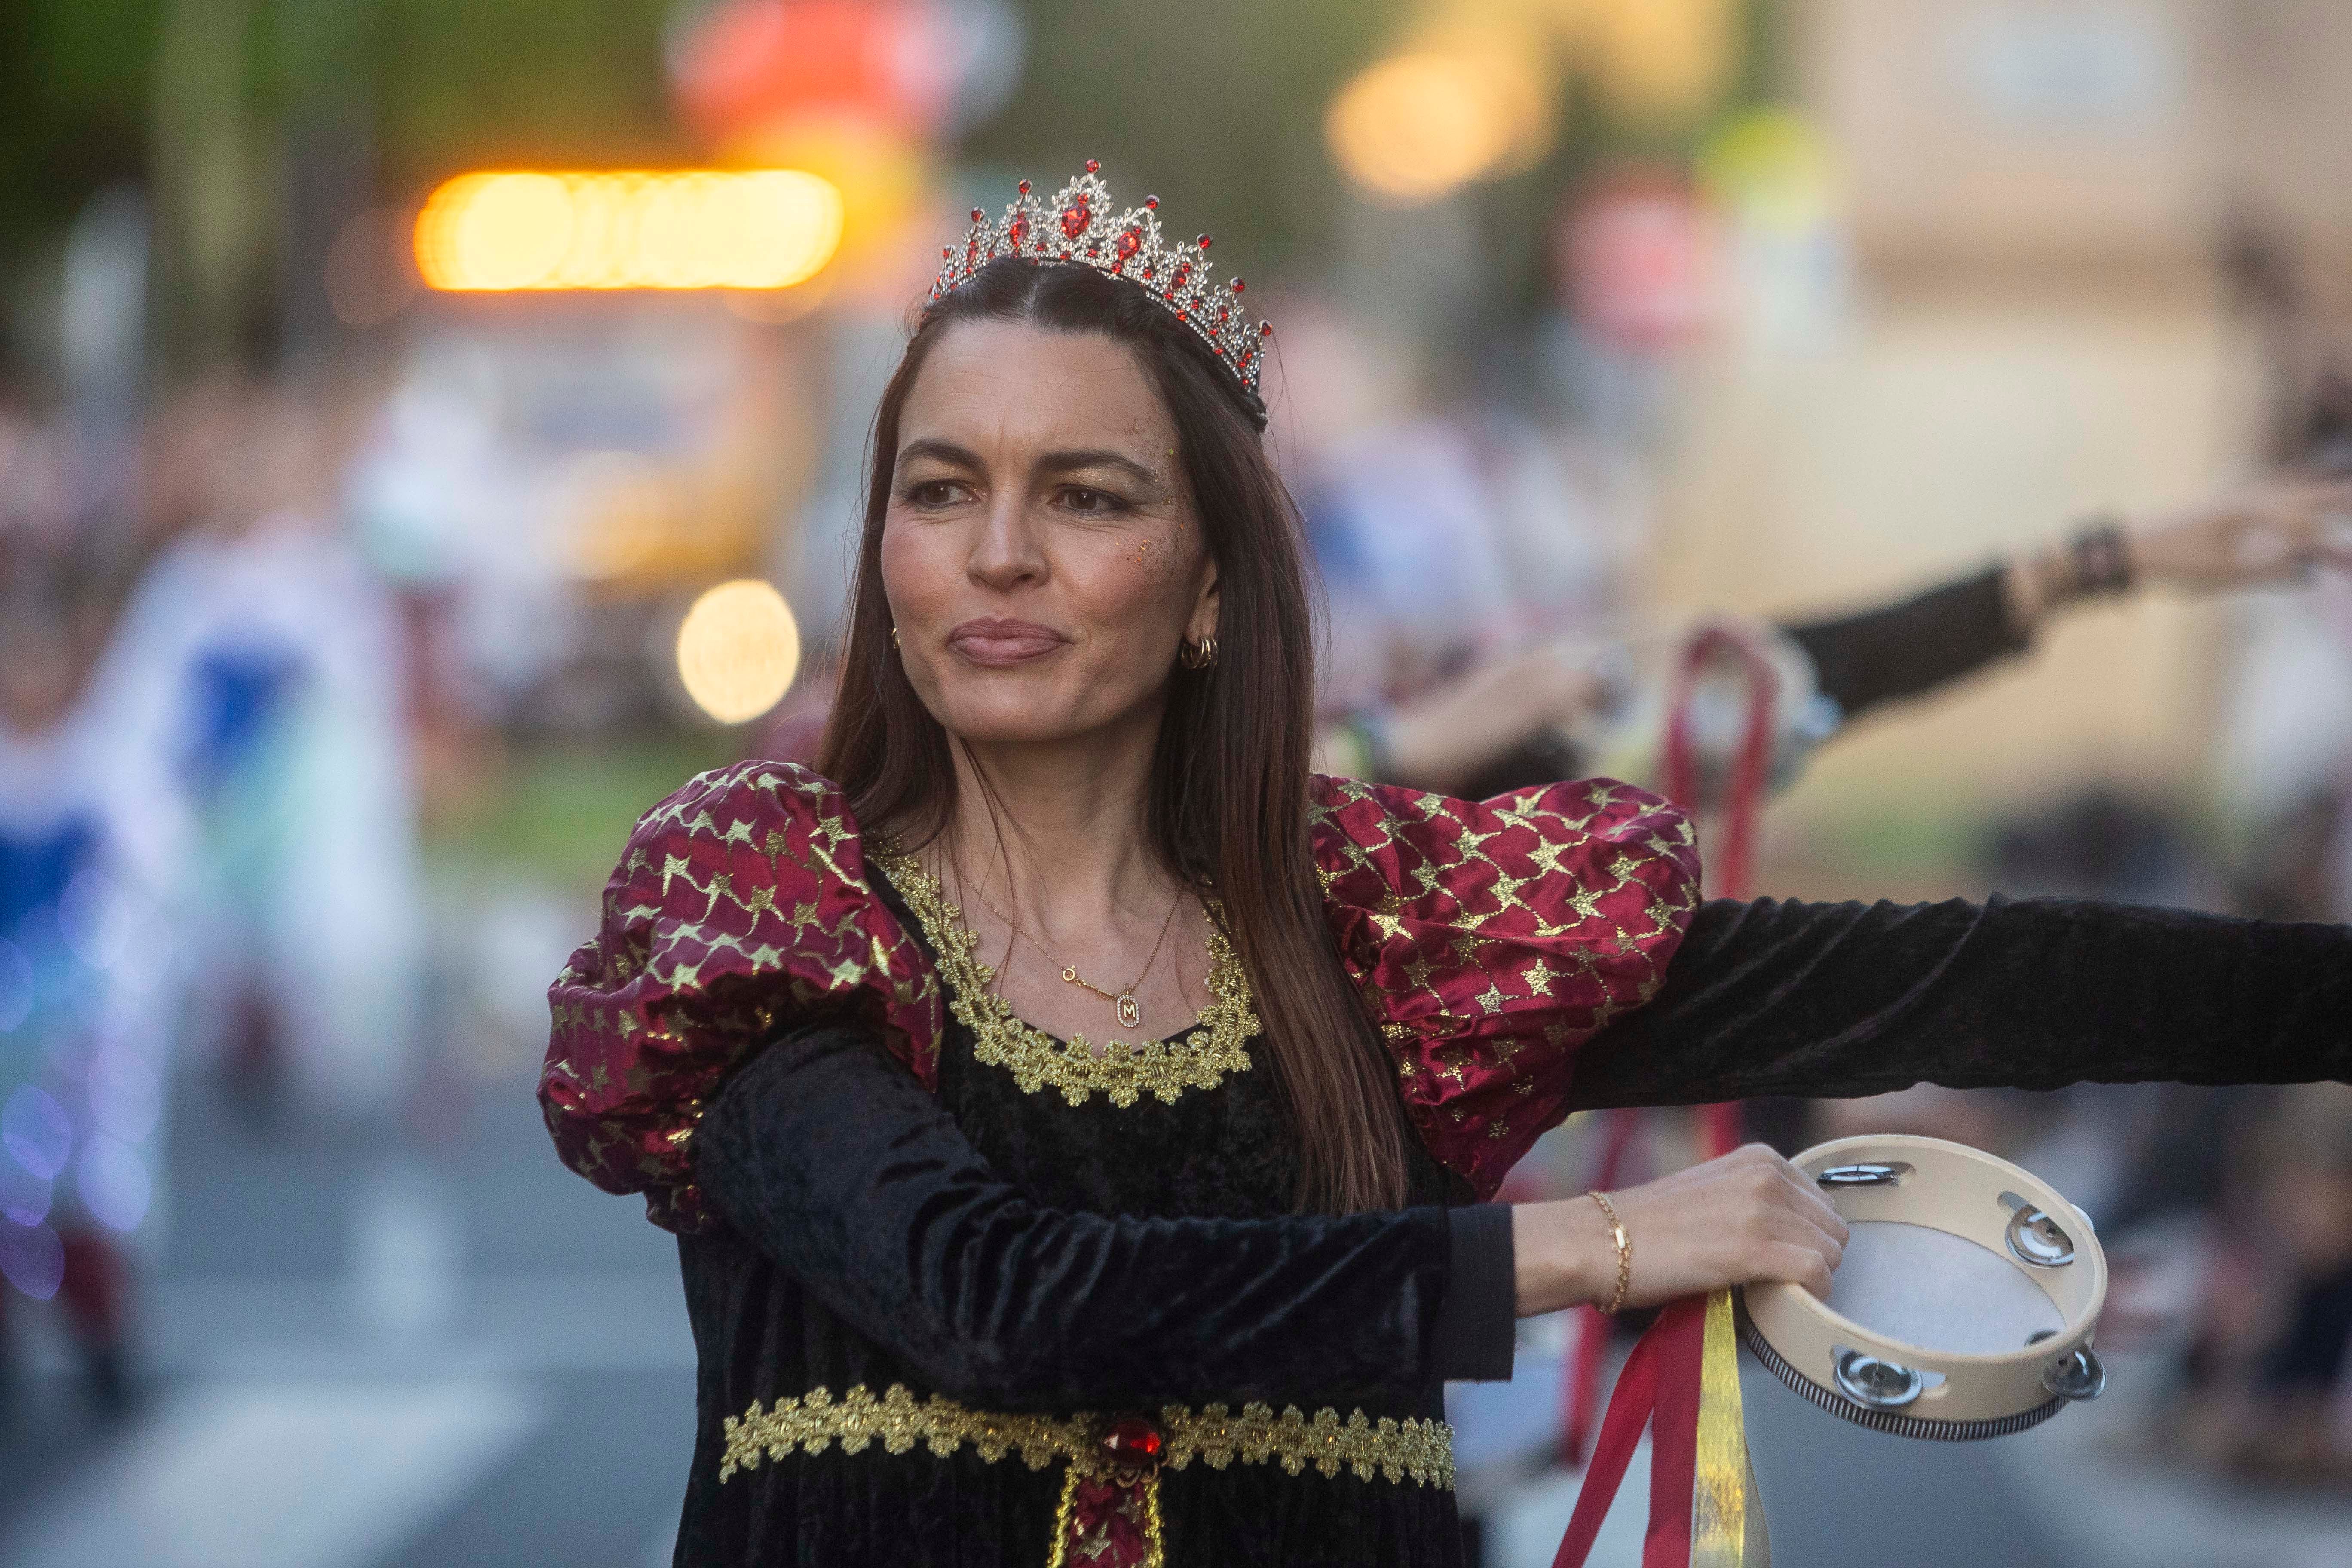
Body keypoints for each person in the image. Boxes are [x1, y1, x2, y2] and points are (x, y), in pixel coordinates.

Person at [539, 168, 2352, 1568]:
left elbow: (1952, 971)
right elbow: (1006, 1301)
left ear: (1216, 583)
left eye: (1086, 497)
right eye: (939, 492)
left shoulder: (1399, 927)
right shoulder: (770, 901)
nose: (997, 553)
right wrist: (1605, 1244)